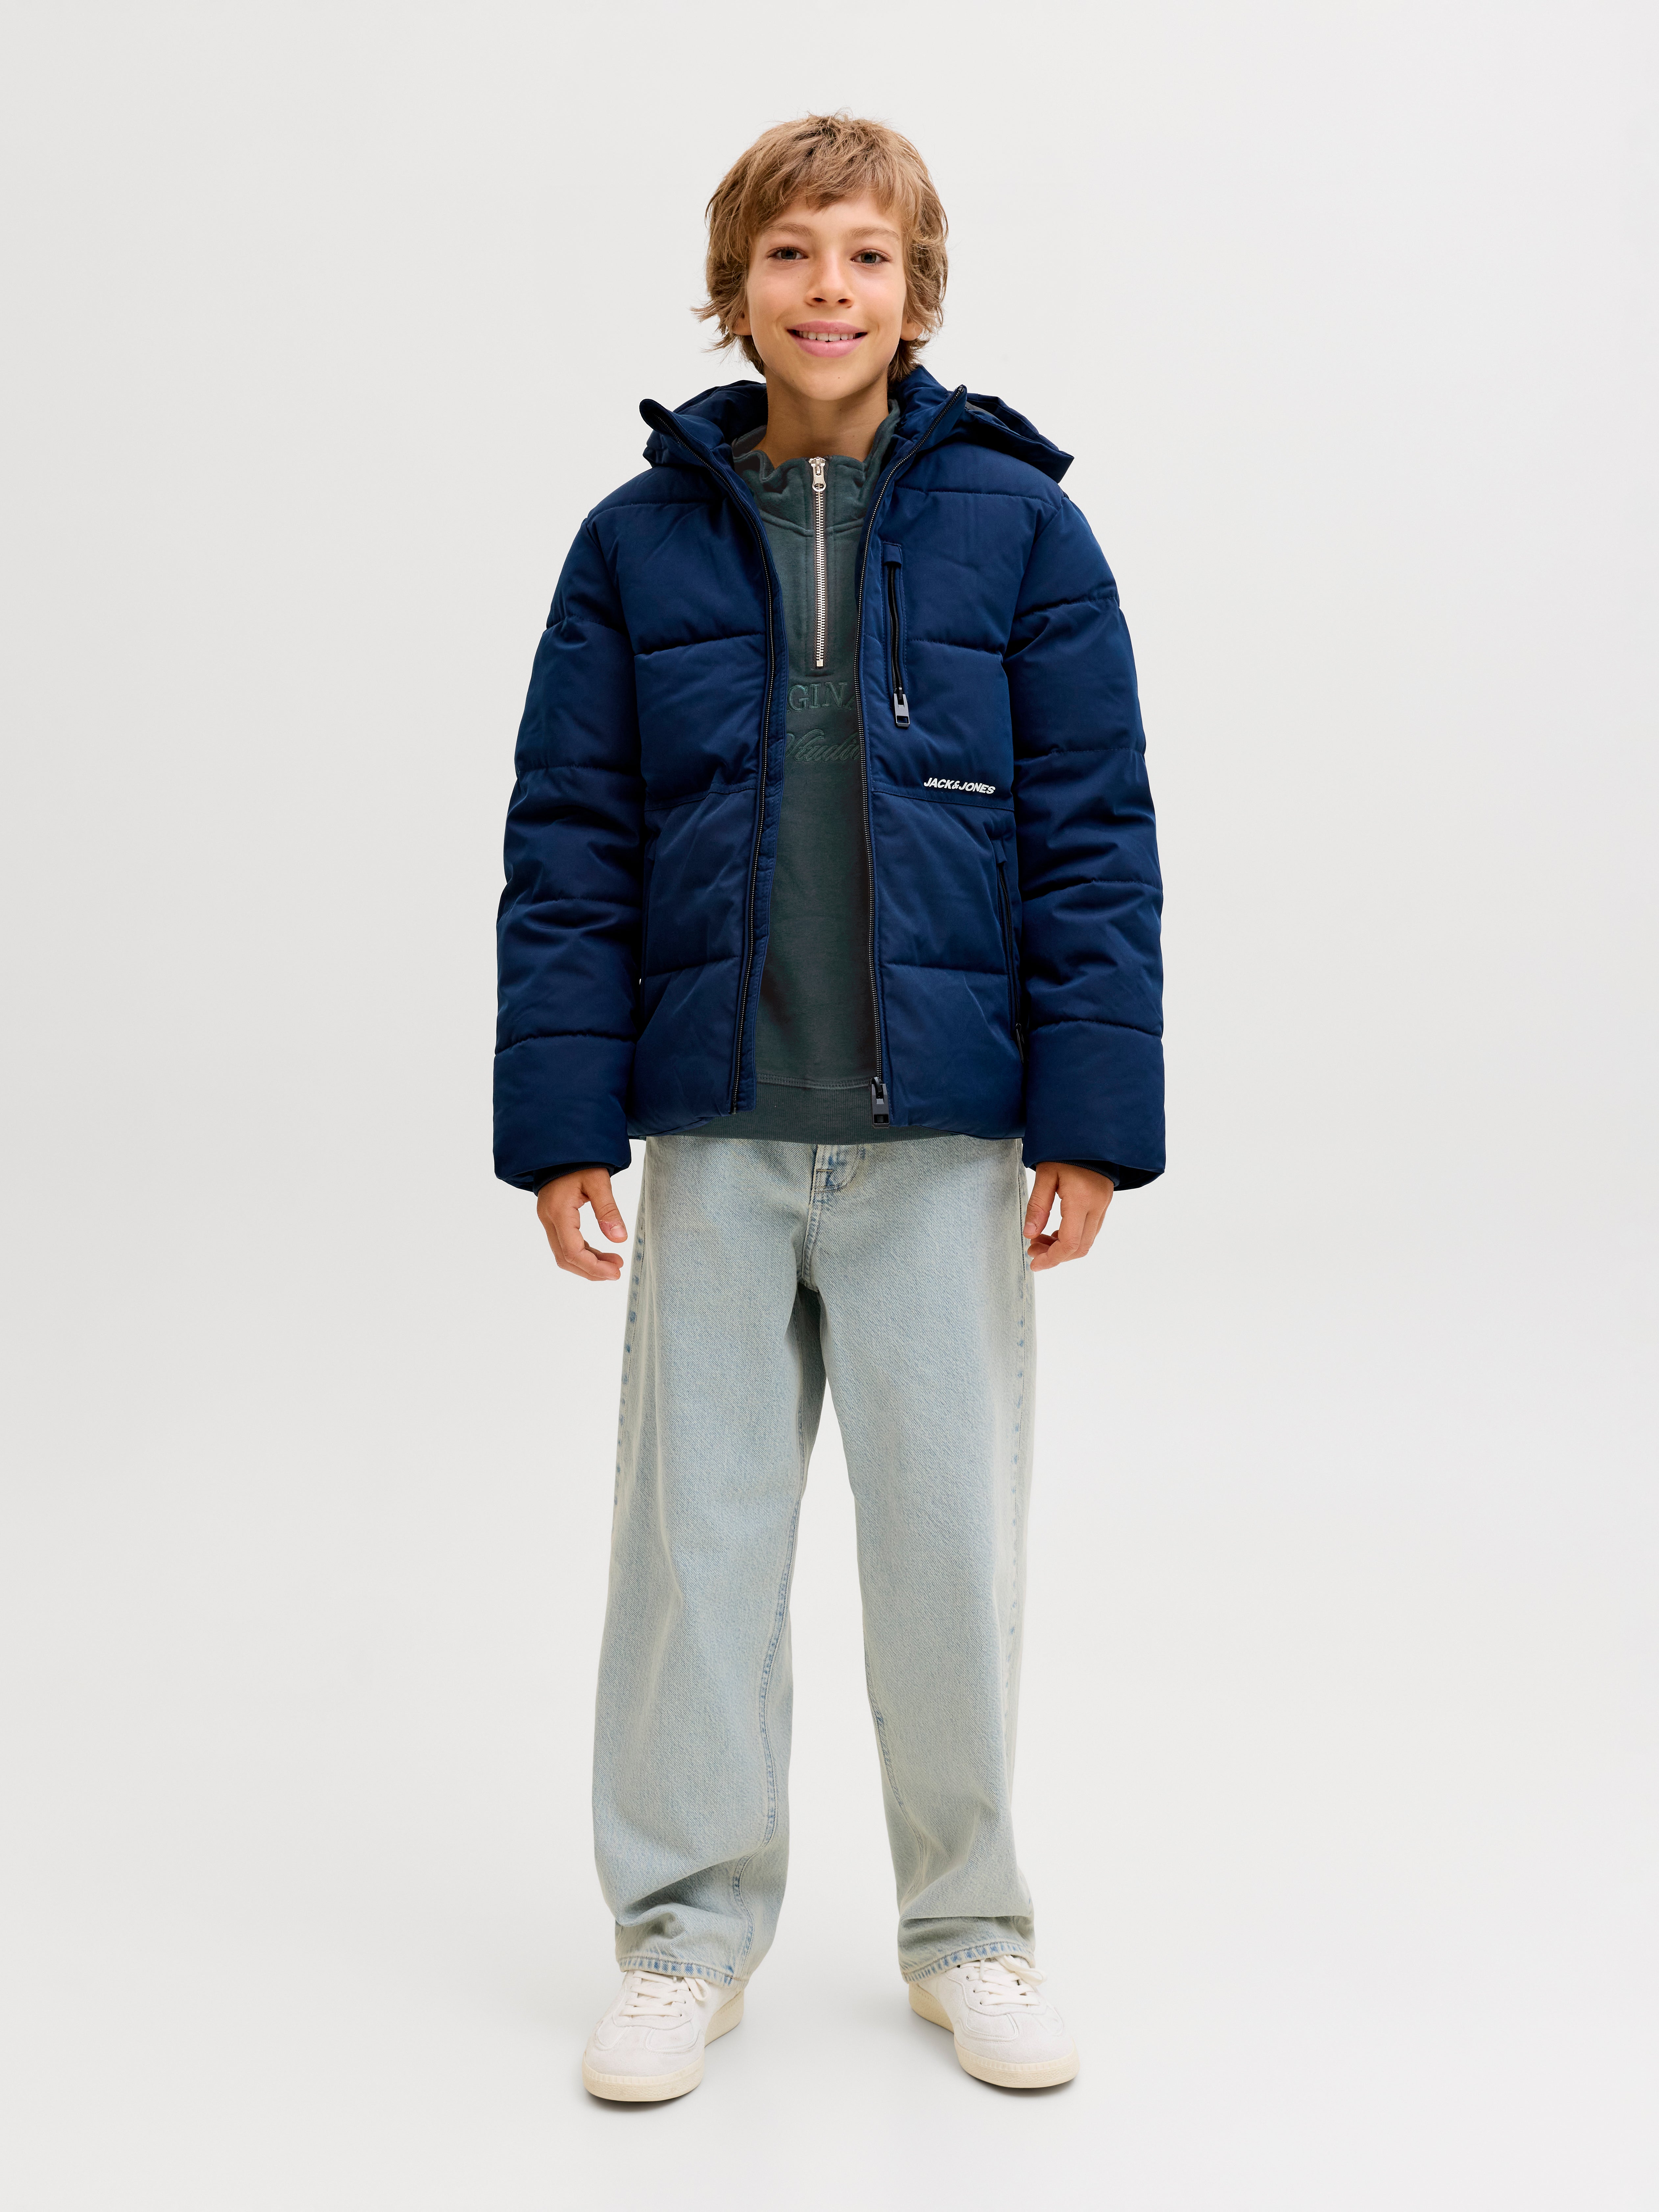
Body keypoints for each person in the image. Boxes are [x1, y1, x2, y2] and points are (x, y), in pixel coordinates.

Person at [493, 112, 1163, 2101]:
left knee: (946, 1556)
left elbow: (1095, 838)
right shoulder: (633, 544)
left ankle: (969, 1930)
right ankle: (683, 1934)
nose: (828, 290)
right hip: (712, 1133)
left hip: (945, 1141)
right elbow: (571, 839)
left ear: (917, 287)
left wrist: (1087, 1119)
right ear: (736, 288)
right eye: (790, 254)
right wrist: (563, 1122)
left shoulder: (1023, 533)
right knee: (694, 1559)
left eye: (866, 254)